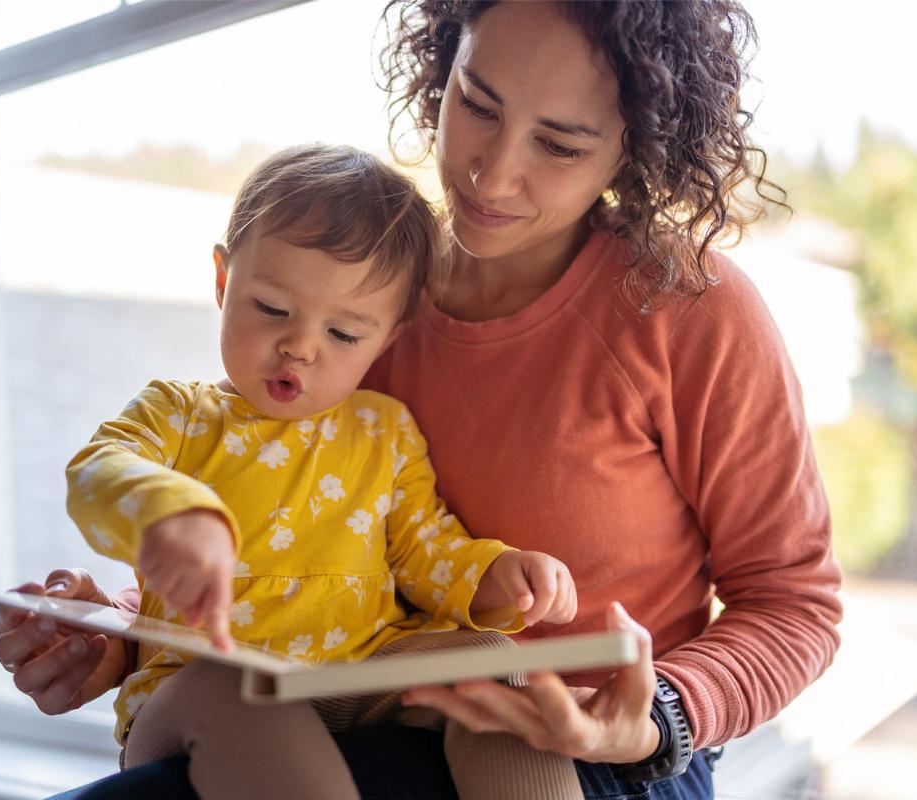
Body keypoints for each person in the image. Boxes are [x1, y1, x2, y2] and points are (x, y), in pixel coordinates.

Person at [0, 2, 843, 799]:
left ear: (636, 147)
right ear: (444, 65)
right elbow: (286, 532)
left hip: (600, 758)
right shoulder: (361, 299)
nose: (492, 170)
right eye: (476, 103)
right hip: (359, 704)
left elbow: (796, 605)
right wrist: (115, 637)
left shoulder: (690, 309)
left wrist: (659, 712)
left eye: (559, 144)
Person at [54, 141, 587, 800]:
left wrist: (495, 577)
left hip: (359, 672)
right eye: (272, 308)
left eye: (343, 335)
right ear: (224, 282)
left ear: (389, 337)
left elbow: (426, 549)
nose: (300, 346)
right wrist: (167, 513)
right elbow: (96, 470)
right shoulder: (179, 415)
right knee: (232, 684)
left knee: (492, 662)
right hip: (198, 690)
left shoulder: (384, 432)